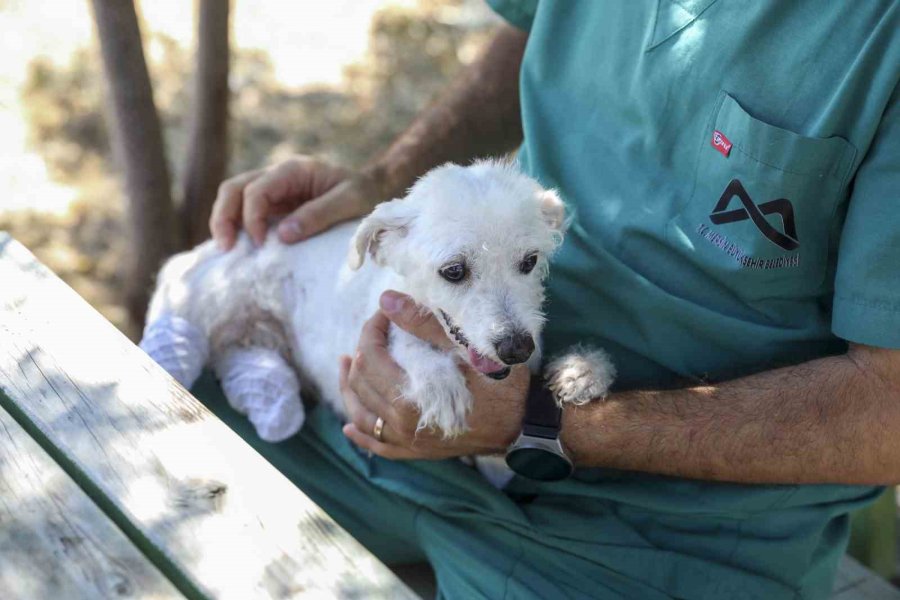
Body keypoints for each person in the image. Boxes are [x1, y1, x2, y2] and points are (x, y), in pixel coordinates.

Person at [195, 2, 900, 597]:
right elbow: (541, 25)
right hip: (407, 426)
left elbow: (890, 412)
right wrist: (387, 182)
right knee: (153, 459)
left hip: (669, 536)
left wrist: (540, 425)